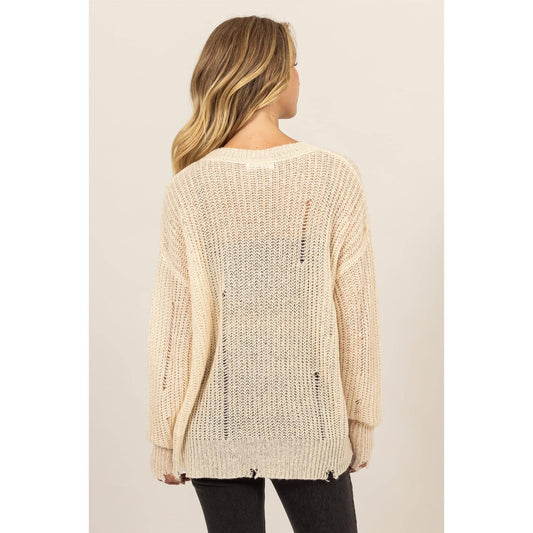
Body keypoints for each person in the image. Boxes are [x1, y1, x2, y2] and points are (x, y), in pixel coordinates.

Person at [146, 15, 383, 533]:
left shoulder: (189, 187)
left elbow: (174, 328)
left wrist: (166, 435)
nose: (300, 75)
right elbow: (356, 316)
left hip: (215, 422)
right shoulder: (333, 176)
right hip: (310, 422)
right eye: (294, 64)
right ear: (271, 74)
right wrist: (360, 419)